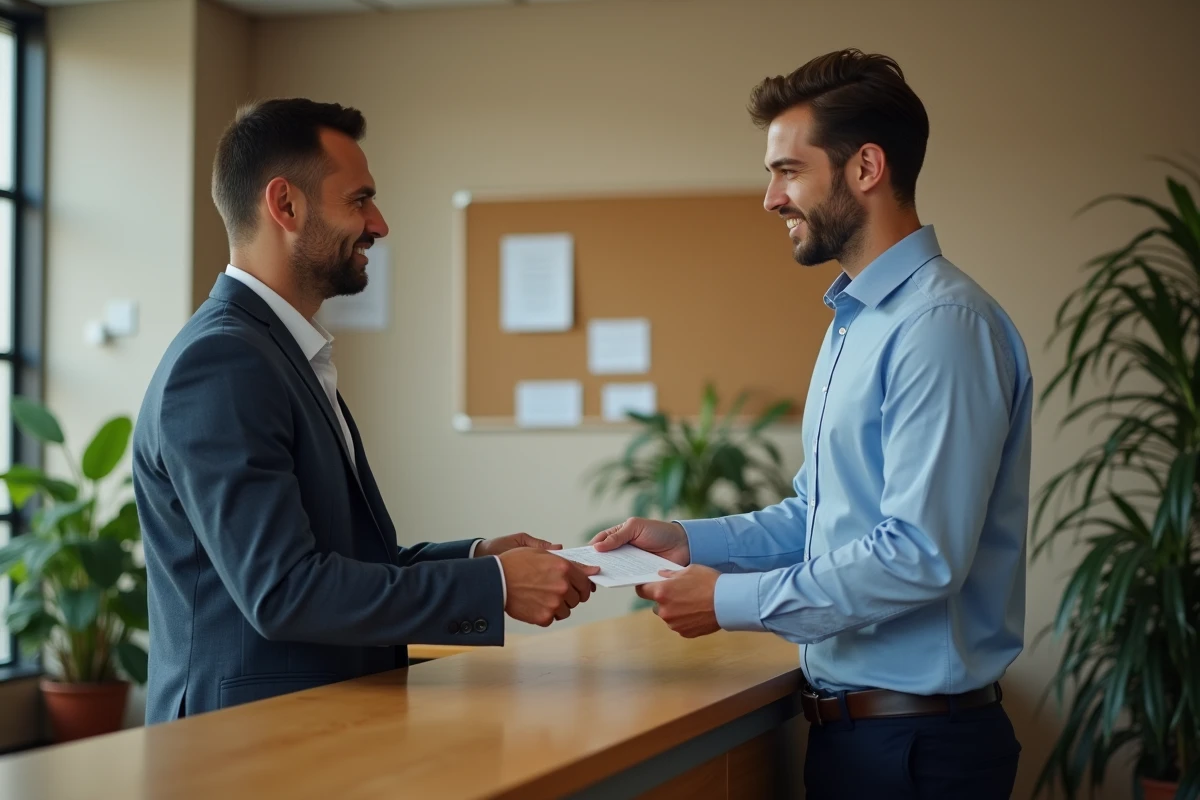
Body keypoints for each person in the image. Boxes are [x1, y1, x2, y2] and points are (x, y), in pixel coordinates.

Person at [592, 49, 1031, 798]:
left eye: (788, 171)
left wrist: (729, 602)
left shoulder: (941, 324)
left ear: (865, 168)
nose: (770, 198)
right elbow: (823, 517)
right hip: (862, 737)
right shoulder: (856, 320)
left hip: (917, 750)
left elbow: (920, 553)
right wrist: (689, 542)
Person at [133, 99, 598, 725]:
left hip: (309, 729)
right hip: (243, 747)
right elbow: (284, 591)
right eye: (359, 200)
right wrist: (498, 586)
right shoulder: (223, 363)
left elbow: (341, 566)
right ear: (285, 205)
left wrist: (480, 559)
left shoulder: (277, 352)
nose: (379, 224)